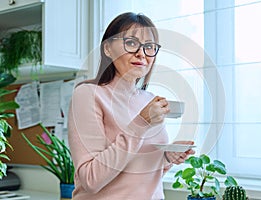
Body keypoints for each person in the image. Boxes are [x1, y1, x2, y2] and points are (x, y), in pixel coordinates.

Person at [68, 12, 195, 200]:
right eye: (131, 43)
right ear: (108, 49)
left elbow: (140, 180)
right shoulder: (88, 94)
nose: (141, 53)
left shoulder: (150, 100)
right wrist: (141, 122)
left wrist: (167, 157)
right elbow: (91, 180)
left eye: (149, 46)